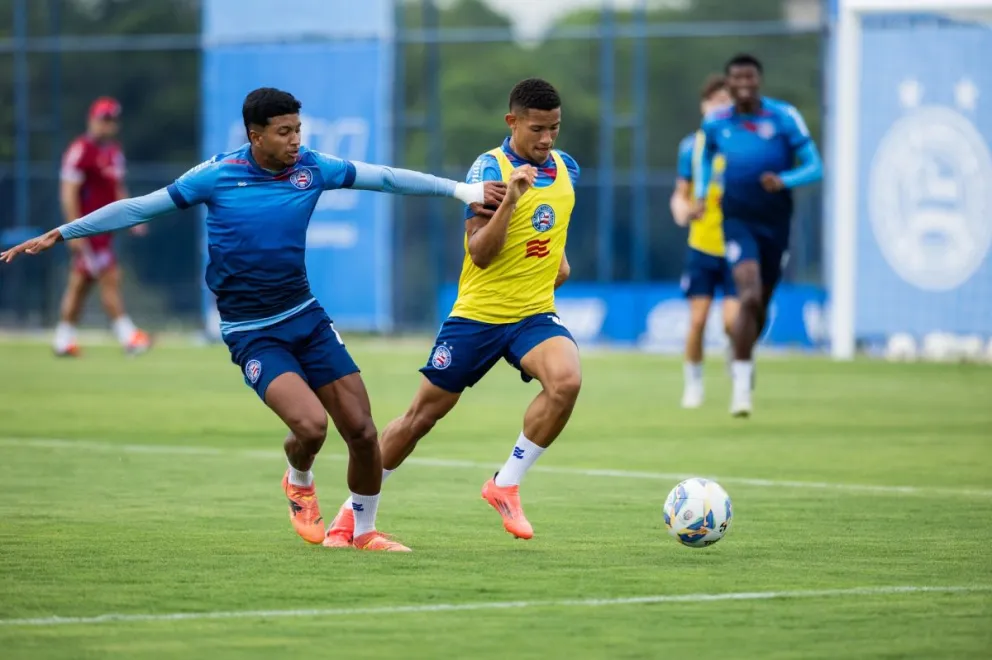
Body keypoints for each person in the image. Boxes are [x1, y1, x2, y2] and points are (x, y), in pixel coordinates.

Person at [1, 87, 506, 553]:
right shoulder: (216, 176)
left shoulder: (313, 168)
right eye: (284, 132)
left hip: (305, 317)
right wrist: (63, 232)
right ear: (254, 134)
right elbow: (139, 208)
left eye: (298, 130)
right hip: (251, 330)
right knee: (310, 428)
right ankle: (299, 481)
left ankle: (361, 531)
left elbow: (387, 178)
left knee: (363, 432)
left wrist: (462, 192)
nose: (295, 141)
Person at [322, 78, 581, 547]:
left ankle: (505, 483)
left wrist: (554, 267)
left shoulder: (567, 169)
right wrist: (512, 201)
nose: (547, 139)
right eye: (538, 129)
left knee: (566, 381)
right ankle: (350, 517)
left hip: (533, 315)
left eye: (555, 129)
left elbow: (554, 243)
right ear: (512, 122)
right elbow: (480, 252)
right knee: (418, 420)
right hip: (477, 317)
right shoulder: (490, 169)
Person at [692, 54, 823, 417]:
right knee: (747, 293)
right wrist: (703, 194)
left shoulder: (783, 117)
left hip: (776, 223)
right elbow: (704, 159)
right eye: (737, 79)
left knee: (759, 303)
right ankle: (741, 387)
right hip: (736, 220)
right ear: (729, 84)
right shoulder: (717, 122)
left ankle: (740, 349)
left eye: (750, 77)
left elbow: (815, 166)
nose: (744, 84)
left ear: (759, 81)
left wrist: (784, 180)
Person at [55, 97, 150, 357]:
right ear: (92, 120)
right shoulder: (81, 149)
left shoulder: (113, 152)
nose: (107, 125)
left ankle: (63, 340)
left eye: (111, 120)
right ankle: (129, 337)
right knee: (109, 277)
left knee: (80, 284)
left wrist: (134, 217)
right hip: (87, 230)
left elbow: (117, 188)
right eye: (103, 119)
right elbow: (68, 192)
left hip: (104, 231)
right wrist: (73, 231)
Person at [670, 75, 738, 409]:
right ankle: (693, 384)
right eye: (713, 102)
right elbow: (679, 198)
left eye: (725, 102)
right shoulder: (691, 147)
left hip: (739, 246)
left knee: (731, 323)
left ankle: (734, 354)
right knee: (697, 320)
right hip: (702, 246)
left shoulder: (743, 145)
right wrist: (685, 212)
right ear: (703, 107)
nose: (718, 108)